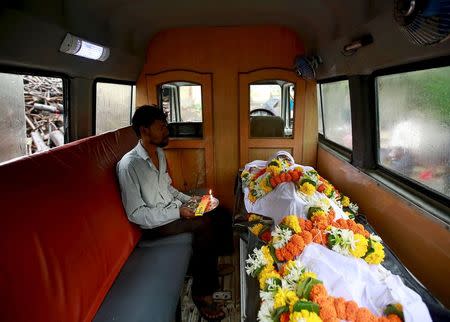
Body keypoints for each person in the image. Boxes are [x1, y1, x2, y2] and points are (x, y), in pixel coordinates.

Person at [116, 105, 225, 321]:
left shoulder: (159, 153)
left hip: (172, 212)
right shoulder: (129, 165)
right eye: (162, 127)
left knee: (218, 212)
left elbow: (168, 188)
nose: (167, 130)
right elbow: (136, 213)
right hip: (154, 226)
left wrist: (190, 200)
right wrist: (180, 211)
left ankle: (209, 268)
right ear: (144, 130)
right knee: (202, 225)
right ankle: (201, 294)